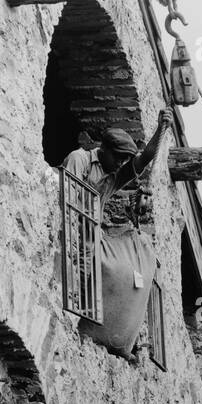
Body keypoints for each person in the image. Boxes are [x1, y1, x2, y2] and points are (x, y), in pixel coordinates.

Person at [62, 111, 173, 356]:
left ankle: (115, 336)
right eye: (119, 159)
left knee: (127, 271)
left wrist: (160, 129)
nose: (121, 165)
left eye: (125, 162)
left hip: (93, 238)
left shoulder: (113, 175)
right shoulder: (79, 160)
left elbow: (144, 160)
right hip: (73, 235)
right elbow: (66, 198)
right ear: (106, 150)